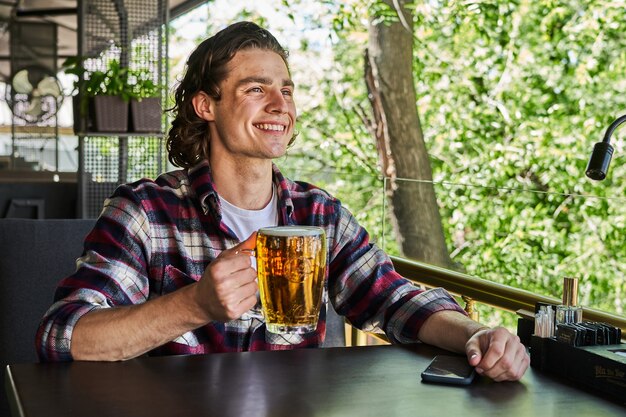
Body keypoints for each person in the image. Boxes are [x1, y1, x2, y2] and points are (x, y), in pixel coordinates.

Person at [36, 21, 529, 381]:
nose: (281, 105)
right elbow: (65, 338)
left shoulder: (320, 215)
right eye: (256, 89)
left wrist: (475, 334)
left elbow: (393, 298)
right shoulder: (145, 212)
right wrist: (195, 304)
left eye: (286, 90)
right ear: (206, 106)